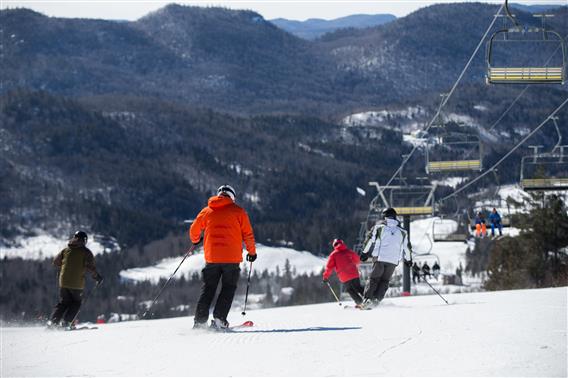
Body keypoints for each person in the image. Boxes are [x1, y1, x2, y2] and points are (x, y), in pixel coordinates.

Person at [190, 185, 256, 330]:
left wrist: (195, 240)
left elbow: (194, 229)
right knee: (228, 287)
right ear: (232, 197)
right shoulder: (239, 212)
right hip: (231, 259)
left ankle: (200, 322)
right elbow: (248, 235)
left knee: (208, 288)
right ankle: (219, 319)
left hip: (212, 258)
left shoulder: (207, 211)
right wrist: (251, 253)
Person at [49, 231, 103, 328]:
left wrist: (67, 264)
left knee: (63, 303)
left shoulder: (65, 250)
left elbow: (55, 262)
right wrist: (97, 277)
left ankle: (53, 322)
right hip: (76, 283)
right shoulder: (86, 252)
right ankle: (66, 323)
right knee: (76, 303)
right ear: (84, 240)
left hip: (63, 281)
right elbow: (91, 268)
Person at [361, 208, 412, 306]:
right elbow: (407, 248)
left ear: (384, 216)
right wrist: (409, 260)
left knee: (374, 279)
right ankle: (376, 301)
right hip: (393, 261)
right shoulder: (403, 232)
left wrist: (364, 253)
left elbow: (369, 240)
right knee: (384, 281)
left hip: (380, 258)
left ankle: (367, 299)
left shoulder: (379, 227)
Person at [323, 239, 364, 306]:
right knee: (358, 287)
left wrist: (325, 277)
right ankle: (368, 299)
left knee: (350, 290)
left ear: (334, 246)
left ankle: (360, 303)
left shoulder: (333, 255)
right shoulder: (348, 251)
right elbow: (357, 260)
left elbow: (329, 268)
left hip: (344, 276)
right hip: (354, 273)